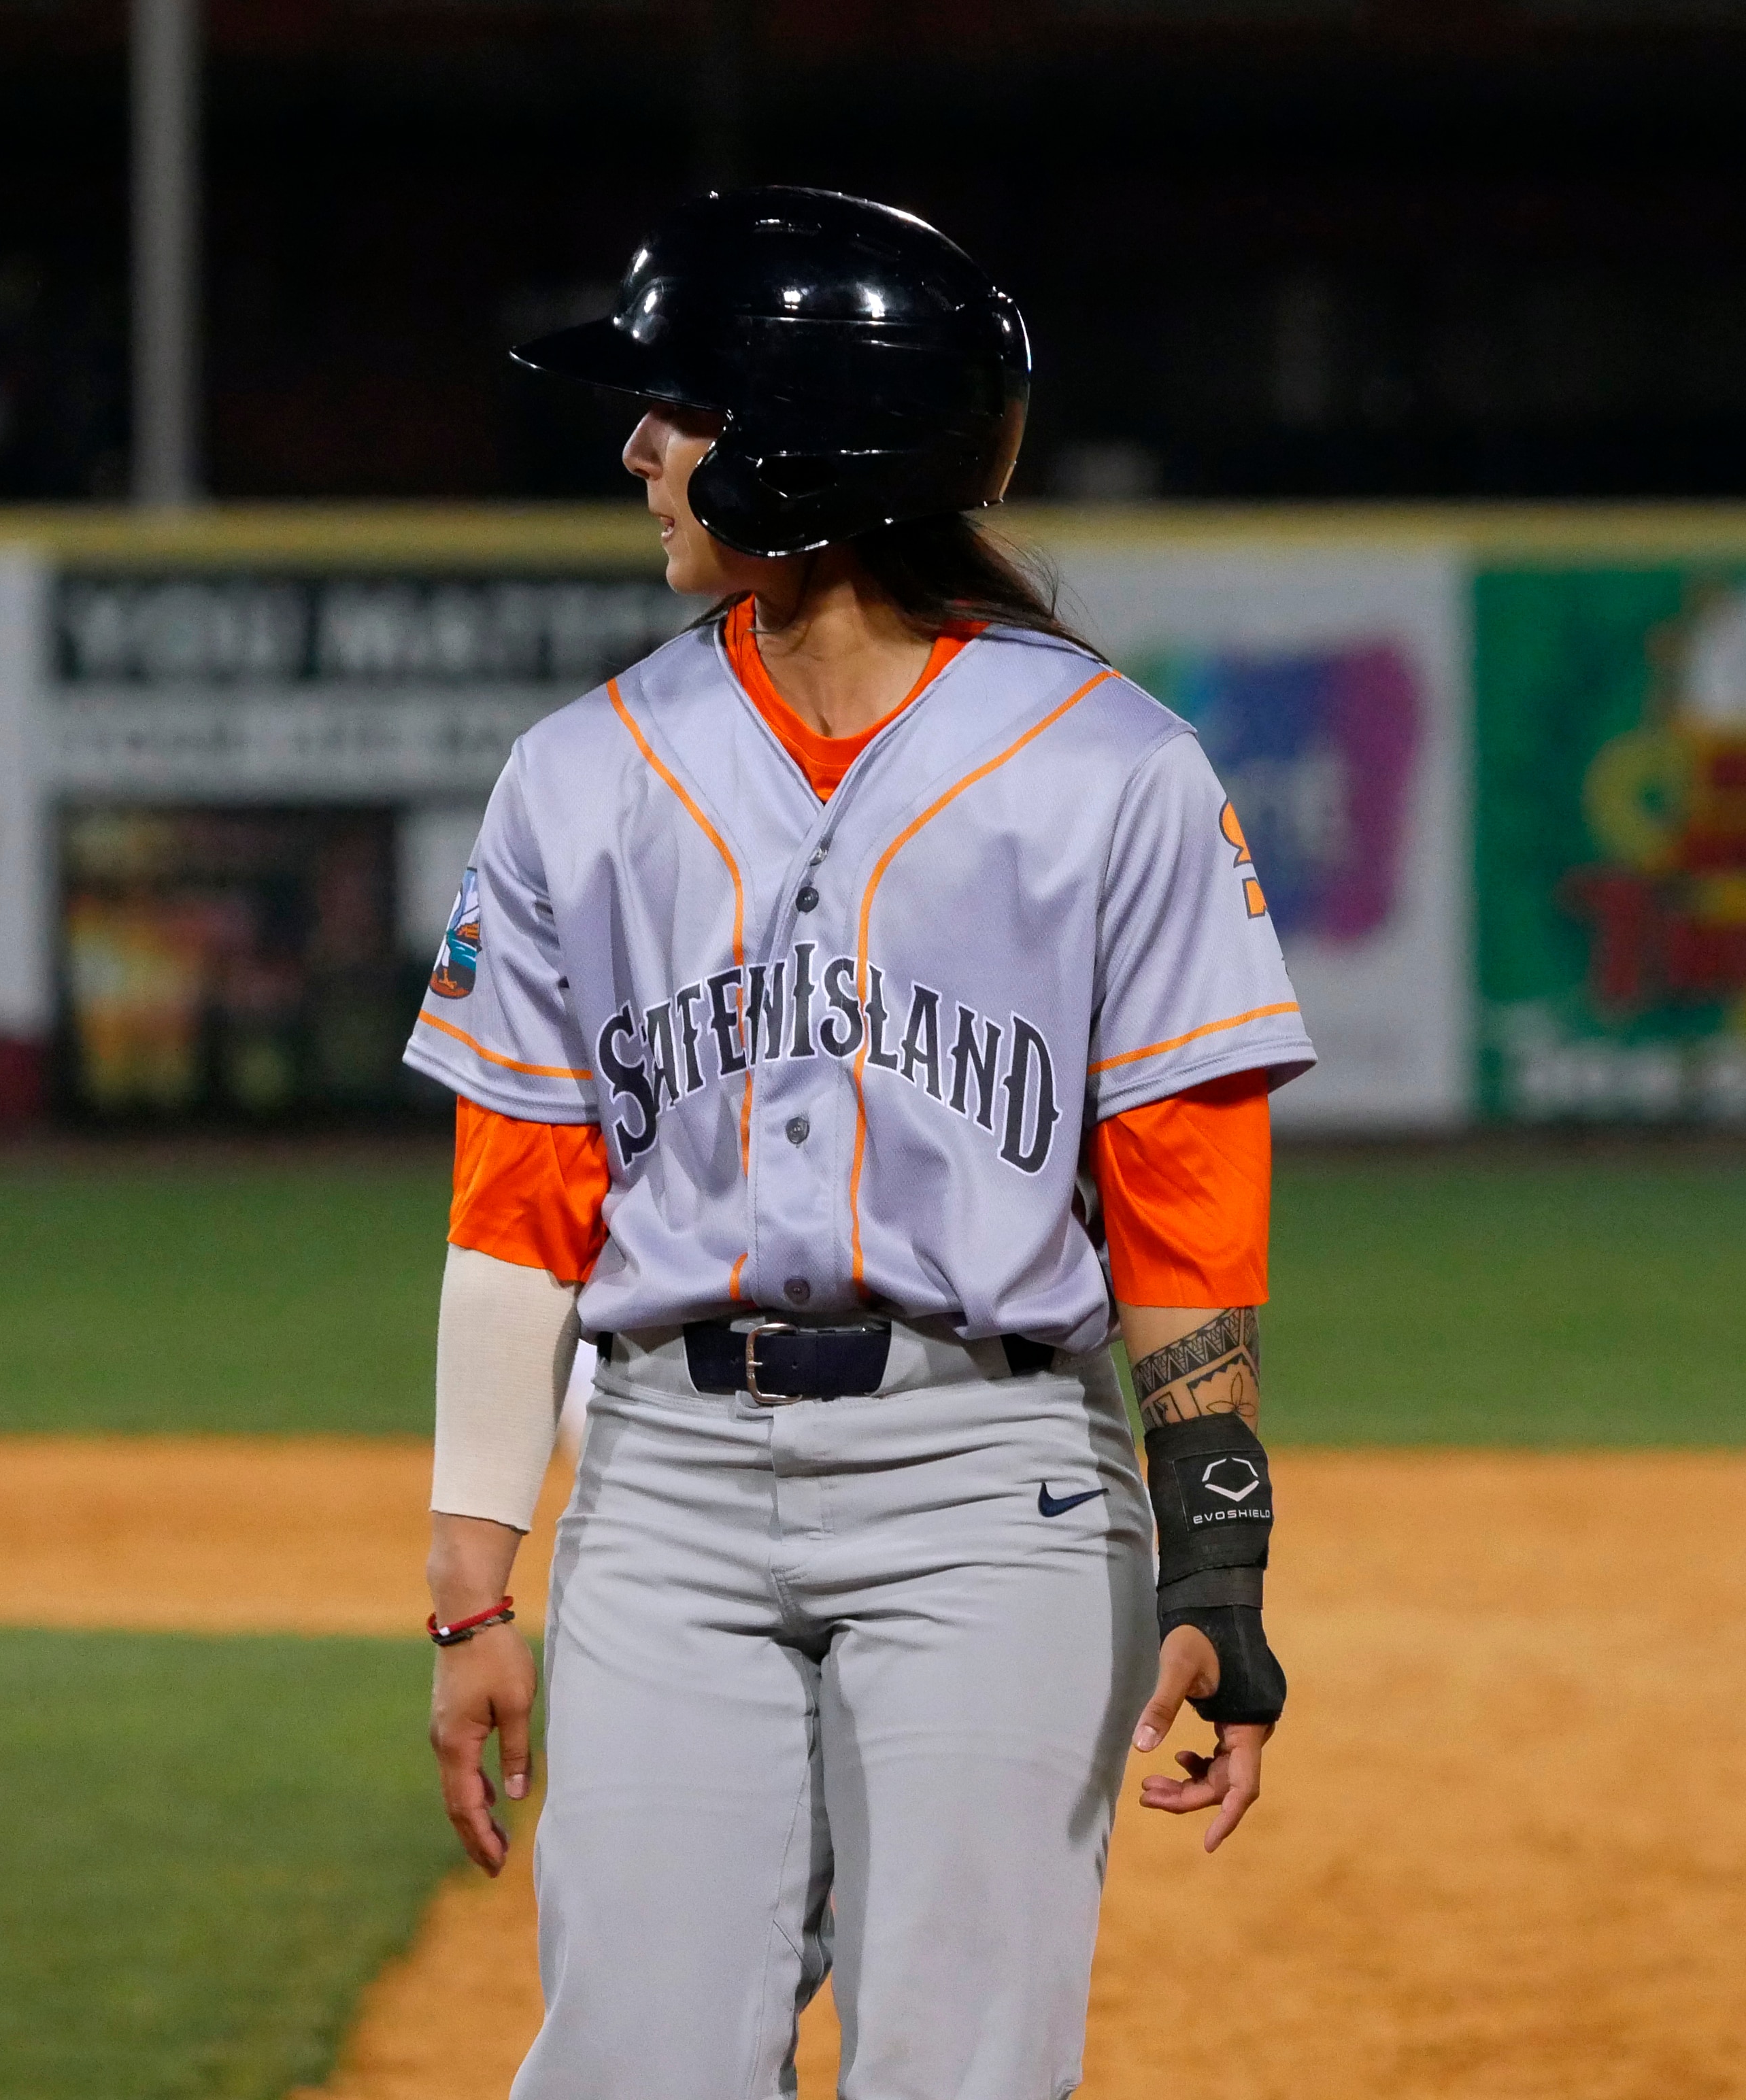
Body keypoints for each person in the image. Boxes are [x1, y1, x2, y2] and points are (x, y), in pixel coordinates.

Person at [403, 186, 1315, 2100]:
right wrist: (475, 1583)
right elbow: (518, 1203)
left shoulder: (1110, 770)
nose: (643, 448)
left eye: (684, 408)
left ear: (813, 442)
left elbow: (1182, 1203)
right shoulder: (579, 774)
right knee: (633, 2067)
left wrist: (1217, 1560)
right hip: (661, 1479)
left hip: (998, 1487)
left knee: (959, 2072)